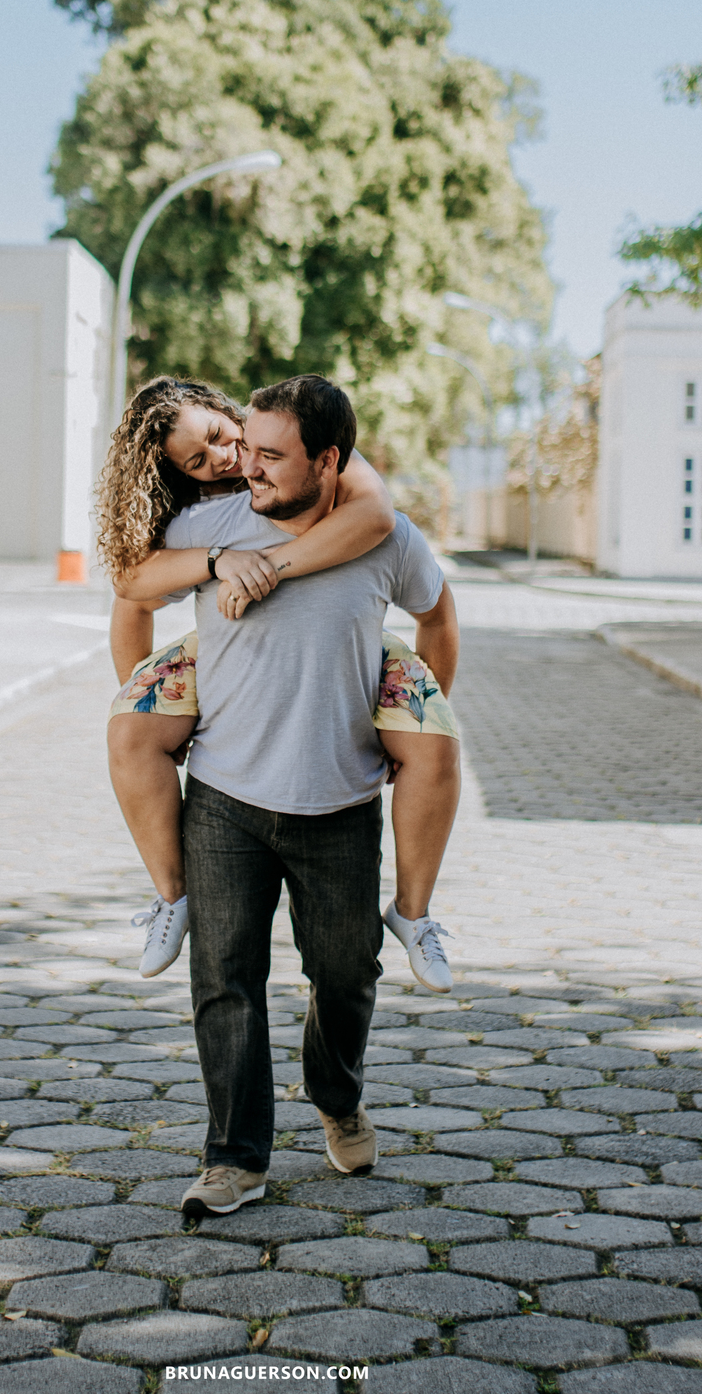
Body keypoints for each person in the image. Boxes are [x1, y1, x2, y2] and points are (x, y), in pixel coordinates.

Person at [153, 375, 457, 1216]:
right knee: (225, 978)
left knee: (346, 973)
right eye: (245, 448)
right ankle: (235, 1159)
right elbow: (132, 587)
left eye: (272, 456)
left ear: (329, 462)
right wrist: (142, 701)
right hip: (223, 798)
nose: (248, 467)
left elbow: (439, 612)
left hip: (341, 801)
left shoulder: (387, 539)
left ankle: (337, 1096)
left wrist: (417, 717)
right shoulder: (204, 527)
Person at [95, 376, 461, 993]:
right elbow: (132, 592)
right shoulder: (202, 518)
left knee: (435, 739)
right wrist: (218, 564)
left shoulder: (318, 457)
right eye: (198, 461)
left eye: (217, 436)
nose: (224, 459)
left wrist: (264, 570)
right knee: (129, 729)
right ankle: (171, 898)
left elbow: (373, 515)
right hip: (220, 648)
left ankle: (414, 913)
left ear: (224, 410)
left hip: (353, 639)